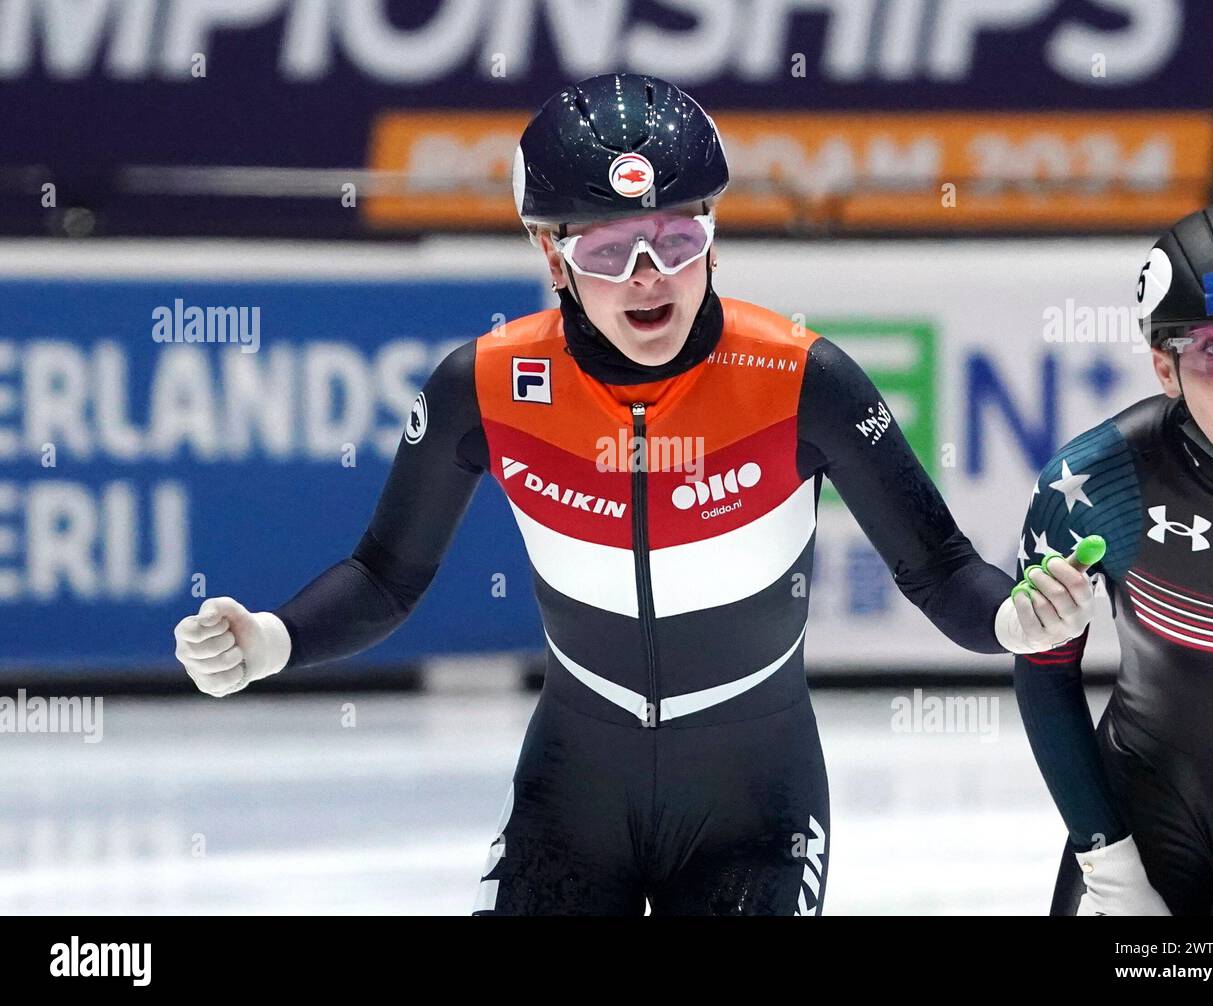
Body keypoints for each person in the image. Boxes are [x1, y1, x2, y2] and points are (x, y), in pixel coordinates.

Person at [173, 73, 1092, 916]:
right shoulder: (485, 386)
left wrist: (1008, 624)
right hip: (575, 794)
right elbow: (384, 577)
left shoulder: (802, 379)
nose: (648, 276)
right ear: (551, 254)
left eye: (677, 240)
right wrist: (273, 639)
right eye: (611, 250)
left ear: (714, 240)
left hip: (755, 807)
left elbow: (937, 567)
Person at [1014, 201, 1213, 916]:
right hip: (1149, 809)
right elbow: (1045, 673)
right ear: (1163, 368)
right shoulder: (1094, 483)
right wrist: (1105, 856)